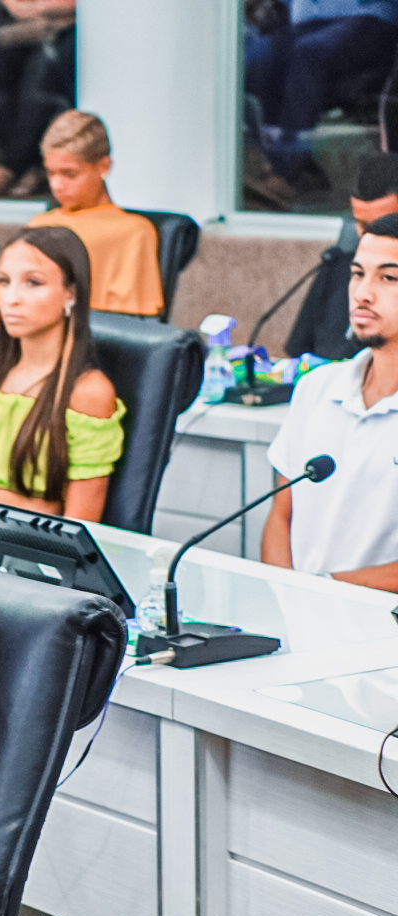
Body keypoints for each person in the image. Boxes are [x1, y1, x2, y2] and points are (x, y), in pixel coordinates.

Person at [261, 212, 398, 591]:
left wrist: (323, 591)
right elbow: (281, 516)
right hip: (304, 630)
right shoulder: (316, 387)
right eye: (357, 273)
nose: (362, 293)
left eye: (389, 278)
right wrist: (288, 600)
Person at [0, 226, 123, 522]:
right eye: (4, 281)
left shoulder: (88, 392)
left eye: (33, 283)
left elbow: (81, 527)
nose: (11, 298)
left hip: (36, 557)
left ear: (71, 292)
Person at [245, 0, 398, 195]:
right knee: (264, 55)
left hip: (369, 18)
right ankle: (272, 159)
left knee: (309, 53)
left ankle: (293, 160)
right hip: (308, 21)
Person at [27, 110, 163, 318]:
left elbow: (131, 323)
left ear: (104, 166)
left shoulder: (132, 232)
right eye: (50, 173)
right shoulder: (38, 224)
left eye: (69, 174)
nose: (56, 184)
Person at [286, 152, 398, 361]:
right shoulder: (337, 264)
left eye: (381, 225)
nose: (367, 238)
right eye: (361, 224)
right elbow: (299, 356)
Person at [0, 0, 76, 199]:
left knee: (41, 70)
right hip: (23, 26)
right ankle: (31, 166)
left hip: (71, 27)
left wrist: (43, 7)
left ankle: (10, 167)